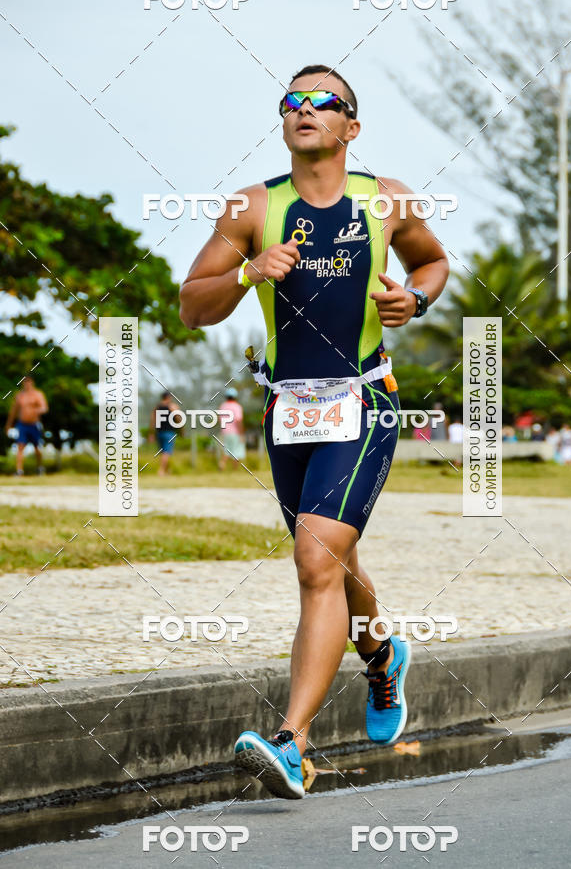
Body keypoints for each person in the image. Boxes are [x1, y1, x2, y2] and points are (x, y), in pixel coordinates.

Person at [180, 64, 449, 799]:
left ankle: (292, 742)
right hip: (290, 410)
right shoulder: (251, 207)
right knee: (329, 559)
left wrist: (415, 301)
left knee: (313, 557)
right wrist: (247, 275)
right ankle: (382, 653)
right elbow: (191, 306)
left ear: (350, 127)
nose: (304, 110)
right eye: (292, 102)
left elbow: (431, 262)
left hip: (363, 402)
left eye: (322, 102)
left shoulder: (385, 199)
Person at [4, 376, 48, 476]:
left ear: (32, 383)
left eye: (29, 382)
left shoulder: (37, 394)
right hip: (22, 425)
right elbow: (13, 412)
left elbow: (44, 407)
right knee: (20, 447)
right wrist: (8, 425)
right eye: (25, 382)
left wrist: (36, 410)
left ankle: (39, 468)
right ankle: (19, 470)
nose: (27, 384)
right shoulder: (20, 396)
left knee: (37, 447)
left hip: (34, 425)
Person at [149, 391, 178, 476]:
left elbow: (152, 421)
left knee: (164, 453)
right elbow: (178, 419)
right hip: (169, 432)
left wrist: (151, 433)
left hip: (159, 432)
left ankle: (167, 471)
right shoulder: (172, 406)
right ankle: (161, 471)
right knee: (166, 453)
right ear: (169, 397)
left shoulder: (157, 407)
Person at [219, 387, 246, 469]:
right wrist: (241, 433)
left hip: (224, 432)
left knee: (226, 450)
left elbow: (219, 419)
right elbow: (238, 421)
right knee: (236, 451)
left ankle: (222, 463)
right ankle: (235, 469)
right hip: (235, 432)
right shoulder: (237, 406)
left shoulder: (223, 406)